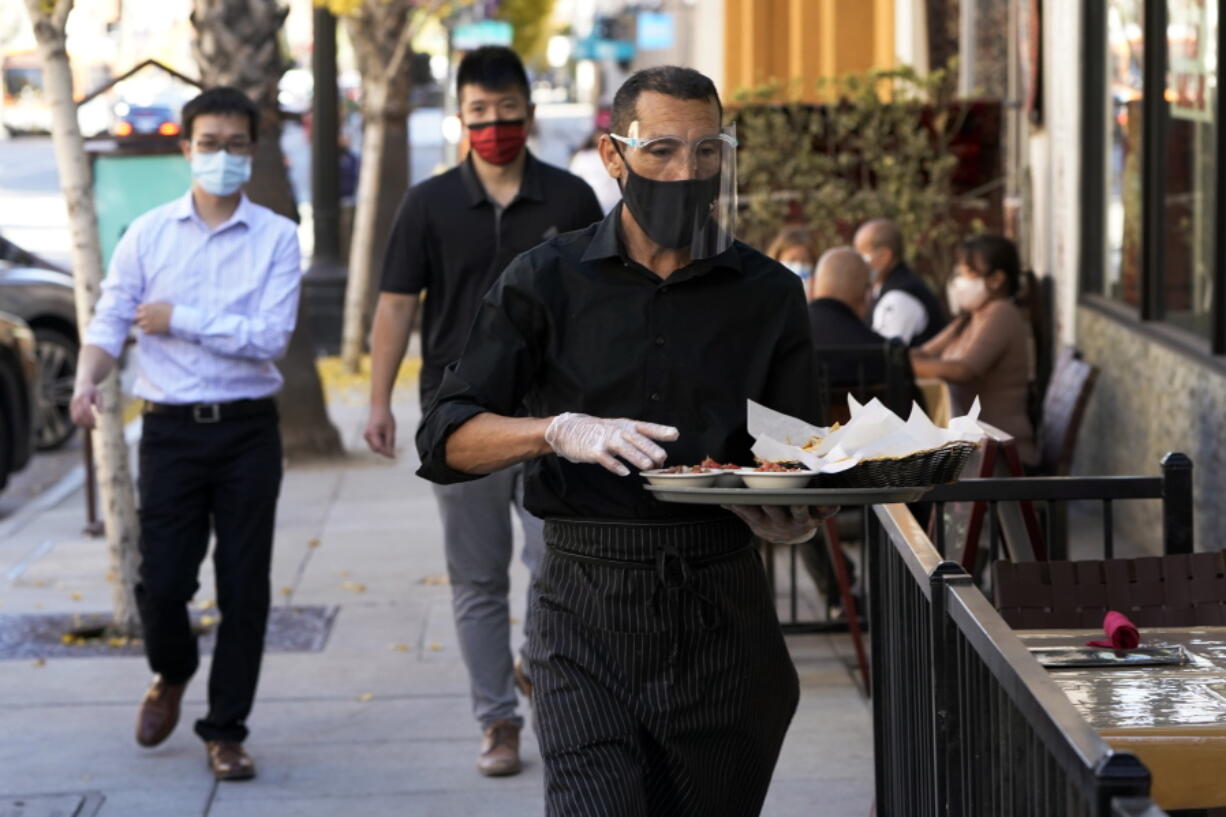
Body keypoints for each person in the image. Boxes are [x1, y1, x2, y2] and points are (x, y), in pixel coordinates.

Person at [416, 65, 830, 817]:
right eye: (663, 149)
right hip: (584, 608)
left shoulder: (768, 293)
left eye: (708, 152)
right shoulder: (544, 280)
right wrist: (554, 430)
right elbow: (446, 439)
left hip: (722, 608)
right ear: (614, 155)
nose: (688, 171)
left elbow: (802, 453)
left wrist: (794, 512)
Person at [363, 46, 603, 778]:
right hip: (458, 418)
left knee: (554, 562)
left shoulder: (570, 200)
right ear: (460, 117)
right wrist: (377, 400)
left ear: (528, 112)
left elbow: (600, 307)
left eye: (506, 113)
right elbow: (397, 304)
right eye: (479, 115)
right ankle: (497, 720)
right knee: (476, 577)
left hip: (549, 421)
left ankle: (537, 664)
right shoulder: (428, 203)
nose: (493, 126)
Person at [69, 87, 301, 781]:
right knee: (161, 583)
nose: (222, 156)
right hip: (169, 431)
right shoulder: (147, 233)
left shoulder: (278, 237)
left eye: (236, 144)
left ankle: (225, 728)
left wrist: (183, 317)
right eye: (209, 143)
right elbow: (112, 318)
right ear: (186, 148)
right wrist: (88, 378)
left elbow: (270, 339)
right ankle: (171, 669)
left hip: (246, 432)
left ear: (252, 151)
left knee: (243, 585)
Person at [911, 234, 1037, 465]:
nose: (958, 282)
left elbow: (964, 370)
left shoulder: (1001, 313)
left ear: (996, 279)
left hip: (999, 454)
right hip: (973, 446)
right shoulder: (970, 317)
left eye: (967, 274)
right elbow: (925, 353)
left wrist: (909, 365)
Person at [854, 217, 947, 346]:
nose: (857, 262)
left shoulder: (899, 297)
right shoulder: (885, 287)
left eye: (861, 255)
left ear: (884, 256)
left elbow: (884, 355)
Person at [569, 130, 622, 213]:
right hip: (594, 207)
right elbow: (573, 183)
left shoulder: (620, 156)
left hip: (616, 207)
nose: (600, 137)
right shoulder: (582, 157)